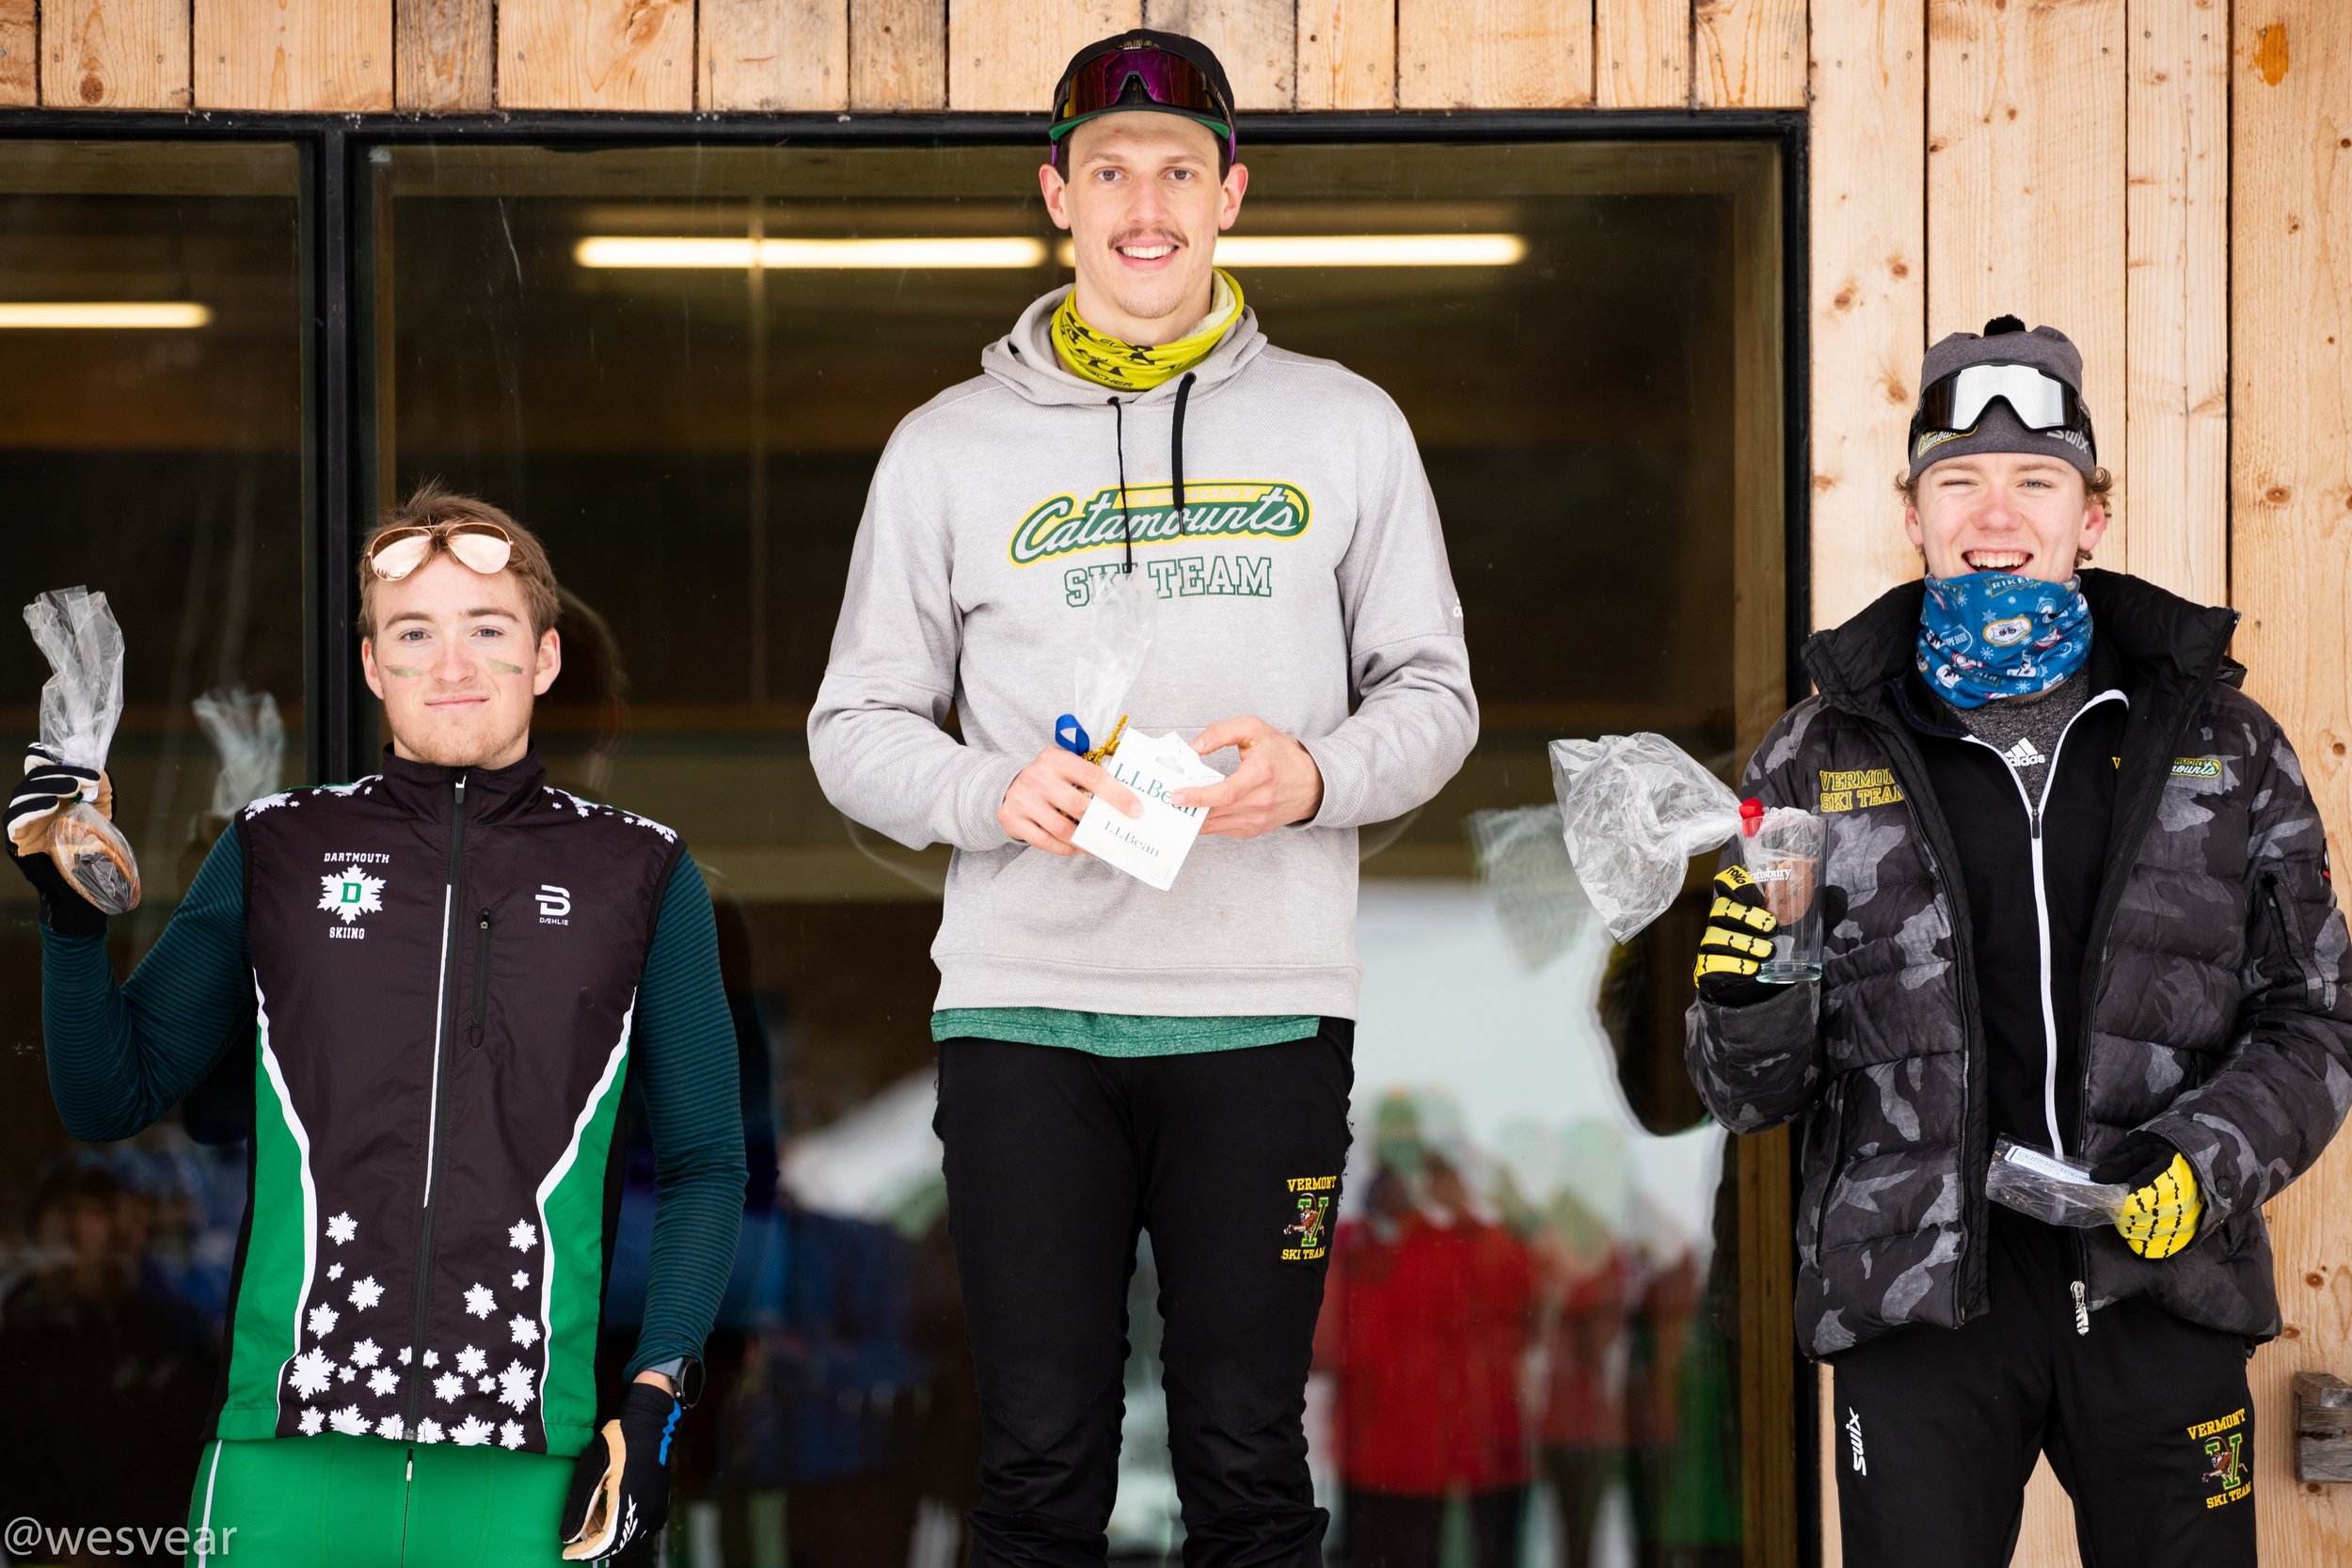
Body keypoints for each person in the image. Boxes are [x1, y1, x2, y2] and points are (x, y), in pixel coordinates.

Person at [808, 28, 1478, 1566]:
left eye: (1180, 167)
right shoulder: (946, 451)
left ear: (1233, 194)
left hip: (1266, 1009)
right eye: (1109, 170)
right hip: (1023, 1013)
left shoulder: (1345, 425)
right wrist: (994, 791)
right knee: (1041, 1460)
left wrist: (1316, 773)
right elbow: (851, 726)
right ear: (1058, 196)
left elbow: (1438, 700)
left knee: (1248, 1458)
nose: (1145, 201)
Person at [1684, 317, 2352, 1567]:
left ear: (2091, 513)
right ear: (1914, 512)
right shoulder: (1822, 754)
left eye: (2035, 479)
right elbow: (1750, 1094)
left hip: (2164, 1283)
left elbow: (2318, 1016)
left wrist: (2201, 1165)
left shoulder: (2221, 739)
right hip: (1919, 1295)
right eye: (1959, 481)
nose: (1998, 512)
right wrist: (1745, 998)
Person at [7, 484, 748, 1567]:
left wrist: (654, 1398)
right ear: (370, 665)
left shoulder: (643, 871)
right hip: (282, 1447)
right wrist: (72, 923)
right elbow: (107, 1095)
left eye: (486, 629)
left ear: (543, 657)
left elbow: (706, 1163)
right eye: (415, 633)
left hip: (526, 1461)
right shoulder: (277, 846)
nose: (451, 665)